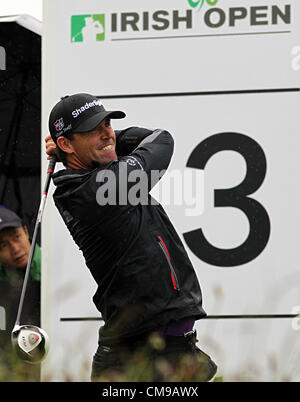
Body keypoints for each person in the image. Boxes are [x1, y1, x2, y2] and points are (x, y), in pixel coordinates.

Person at [46, 93, 217, 382]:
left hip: (162, 350)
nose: (105, 132)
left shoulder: (102, 177)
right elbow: (161, 140)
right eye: (92, 129)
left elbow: (148, 140)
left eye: (107, 125)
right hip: (139, 356)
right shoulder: (99, 189)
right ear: (66, 144)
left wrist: (101, 140)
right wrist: (110, 141)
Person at [0, 206, 41, 381]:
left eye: (17, 237)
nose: (15, 249)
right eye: (3, 245)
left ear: (26, 232)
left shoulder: (52, 266)